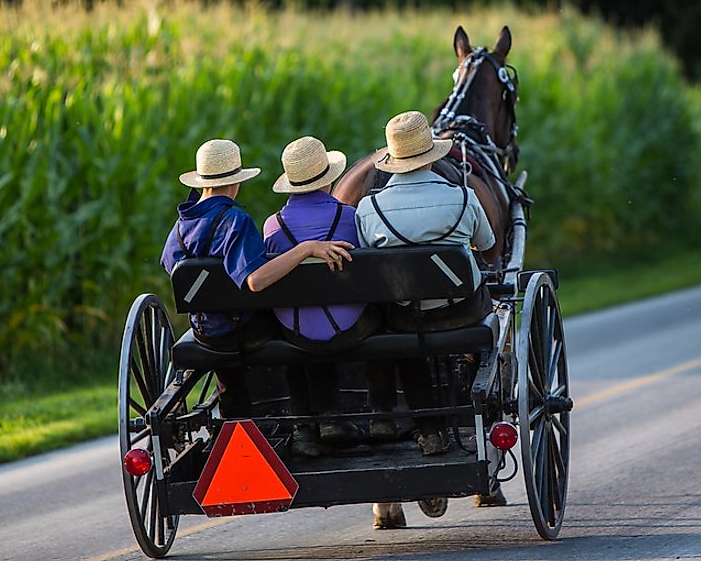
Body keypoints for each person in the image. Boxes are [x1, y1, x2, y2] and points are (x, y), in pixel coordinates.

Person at [161, 138, 353, 419]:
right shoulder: (235, 221)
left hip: (205, 331)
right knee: (285, 322)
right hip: (243, 330)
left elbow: (170, 265)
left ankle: (240, 414)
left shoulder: (180, 226)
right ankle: (305, 418)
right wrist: (306, 248)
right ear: (235, 181)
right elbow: (255, 281)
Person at [355, 111, 496, 457]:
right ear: (433, 154)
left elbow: (367, 262)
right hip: (463, 311)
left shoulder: (369, 208)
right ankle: (470, 384)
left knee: (403, 332)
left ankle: (431, 430)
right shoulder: (463, 197)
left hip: (406, 315)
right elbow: (487, 246)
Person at [262, 136, 382, 457]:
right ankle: (382, 411)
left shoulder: (273, 227)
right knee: (380, 312)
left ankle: (307, 426)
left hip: (296, 330)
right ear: (328, 179)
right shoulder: (350, 216)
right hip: (350, 327)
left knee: (296, 324)